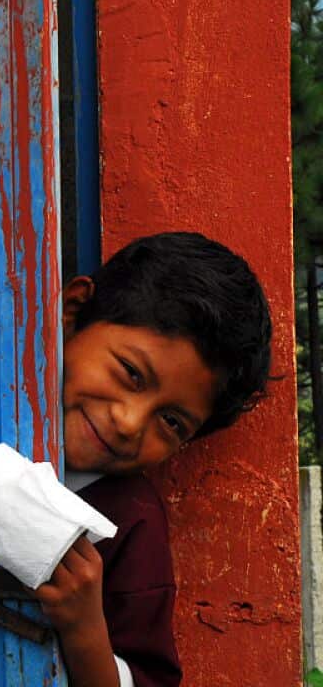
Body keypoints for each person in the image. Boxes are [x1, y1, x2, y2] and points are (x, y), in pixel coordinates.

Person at [37, 232, 273, 687]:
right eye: (131, 373)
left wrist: (85, 630)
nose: (129, 423)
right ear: (74, 312)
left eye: (171, 421)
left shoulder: (132, 523)